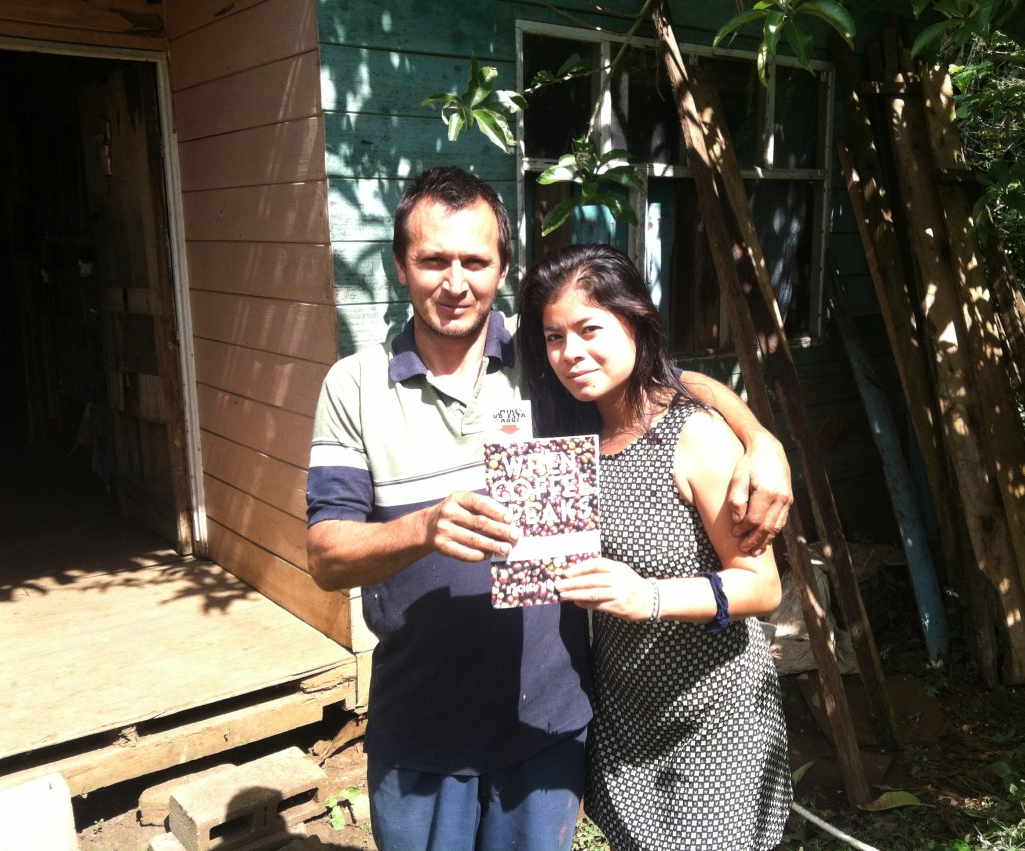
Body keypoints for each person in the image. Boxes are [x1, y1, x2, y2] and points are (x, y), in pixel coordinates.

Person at [305, 166, 791, 851]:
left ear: (501, 266)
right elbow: (325, 554)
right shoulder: (354, 386)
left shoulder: (544, 358)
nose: (455, 280)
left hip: (548, 720)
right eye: (432, 259)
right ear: (399, 265)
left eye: (475, 260)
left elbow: (662, 379)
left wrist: (761, 438)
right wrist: (422, 528)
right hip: (423, 721)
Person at [518, 243, 793, 851]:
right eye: (554, 336)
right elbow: (687, 375)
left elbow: (762, 585)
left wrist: (649, 596)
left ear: (636, 321)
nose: (571, 352)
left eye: (590, 328)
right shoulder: (574, 431)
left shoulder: (693, 435)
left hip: (715, 720)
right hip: (624, 715)